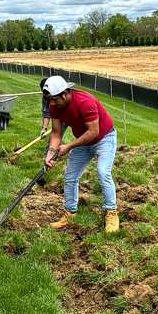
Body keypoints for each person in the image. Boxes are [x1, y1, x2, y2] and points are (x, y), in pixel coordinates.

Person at [43, 76, 119, 233]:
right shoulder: (54, 107)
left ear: (65, 94)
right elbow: (56, 133)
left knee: (103, 172)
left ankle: (111, 212)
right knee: (70, 177)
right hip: (83, 141)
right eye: (49, 100)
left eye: (54, 99)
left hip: (104, 138)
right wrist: (50, 154)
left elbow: (94, 131)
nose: (52, 103)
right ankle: (70, 213)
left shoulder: (85, 102)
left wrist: (69, 146)